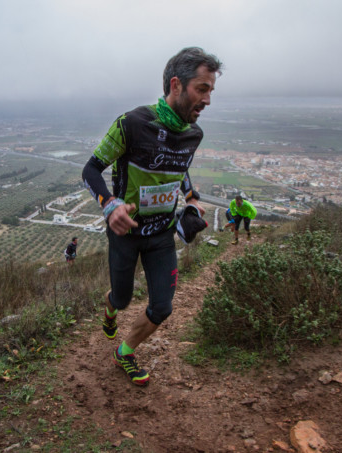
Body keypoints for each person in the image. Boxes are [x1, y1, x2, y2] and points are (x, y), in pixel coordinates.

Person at [82, 47, 223, 386]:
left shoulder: (194, 134)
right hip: (125, 232)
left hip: (162, 235)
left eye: (210, 91)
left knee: (162, 307)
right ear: (176, 85)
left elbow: (181, 169)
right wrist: (109, 204)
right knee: (123, 297)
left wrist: (190, 198)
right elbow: (91, 169)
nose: (207, 100)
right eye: (202, 89)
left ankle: (125, 353)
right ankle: (111, 307)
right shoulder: (132, 123)